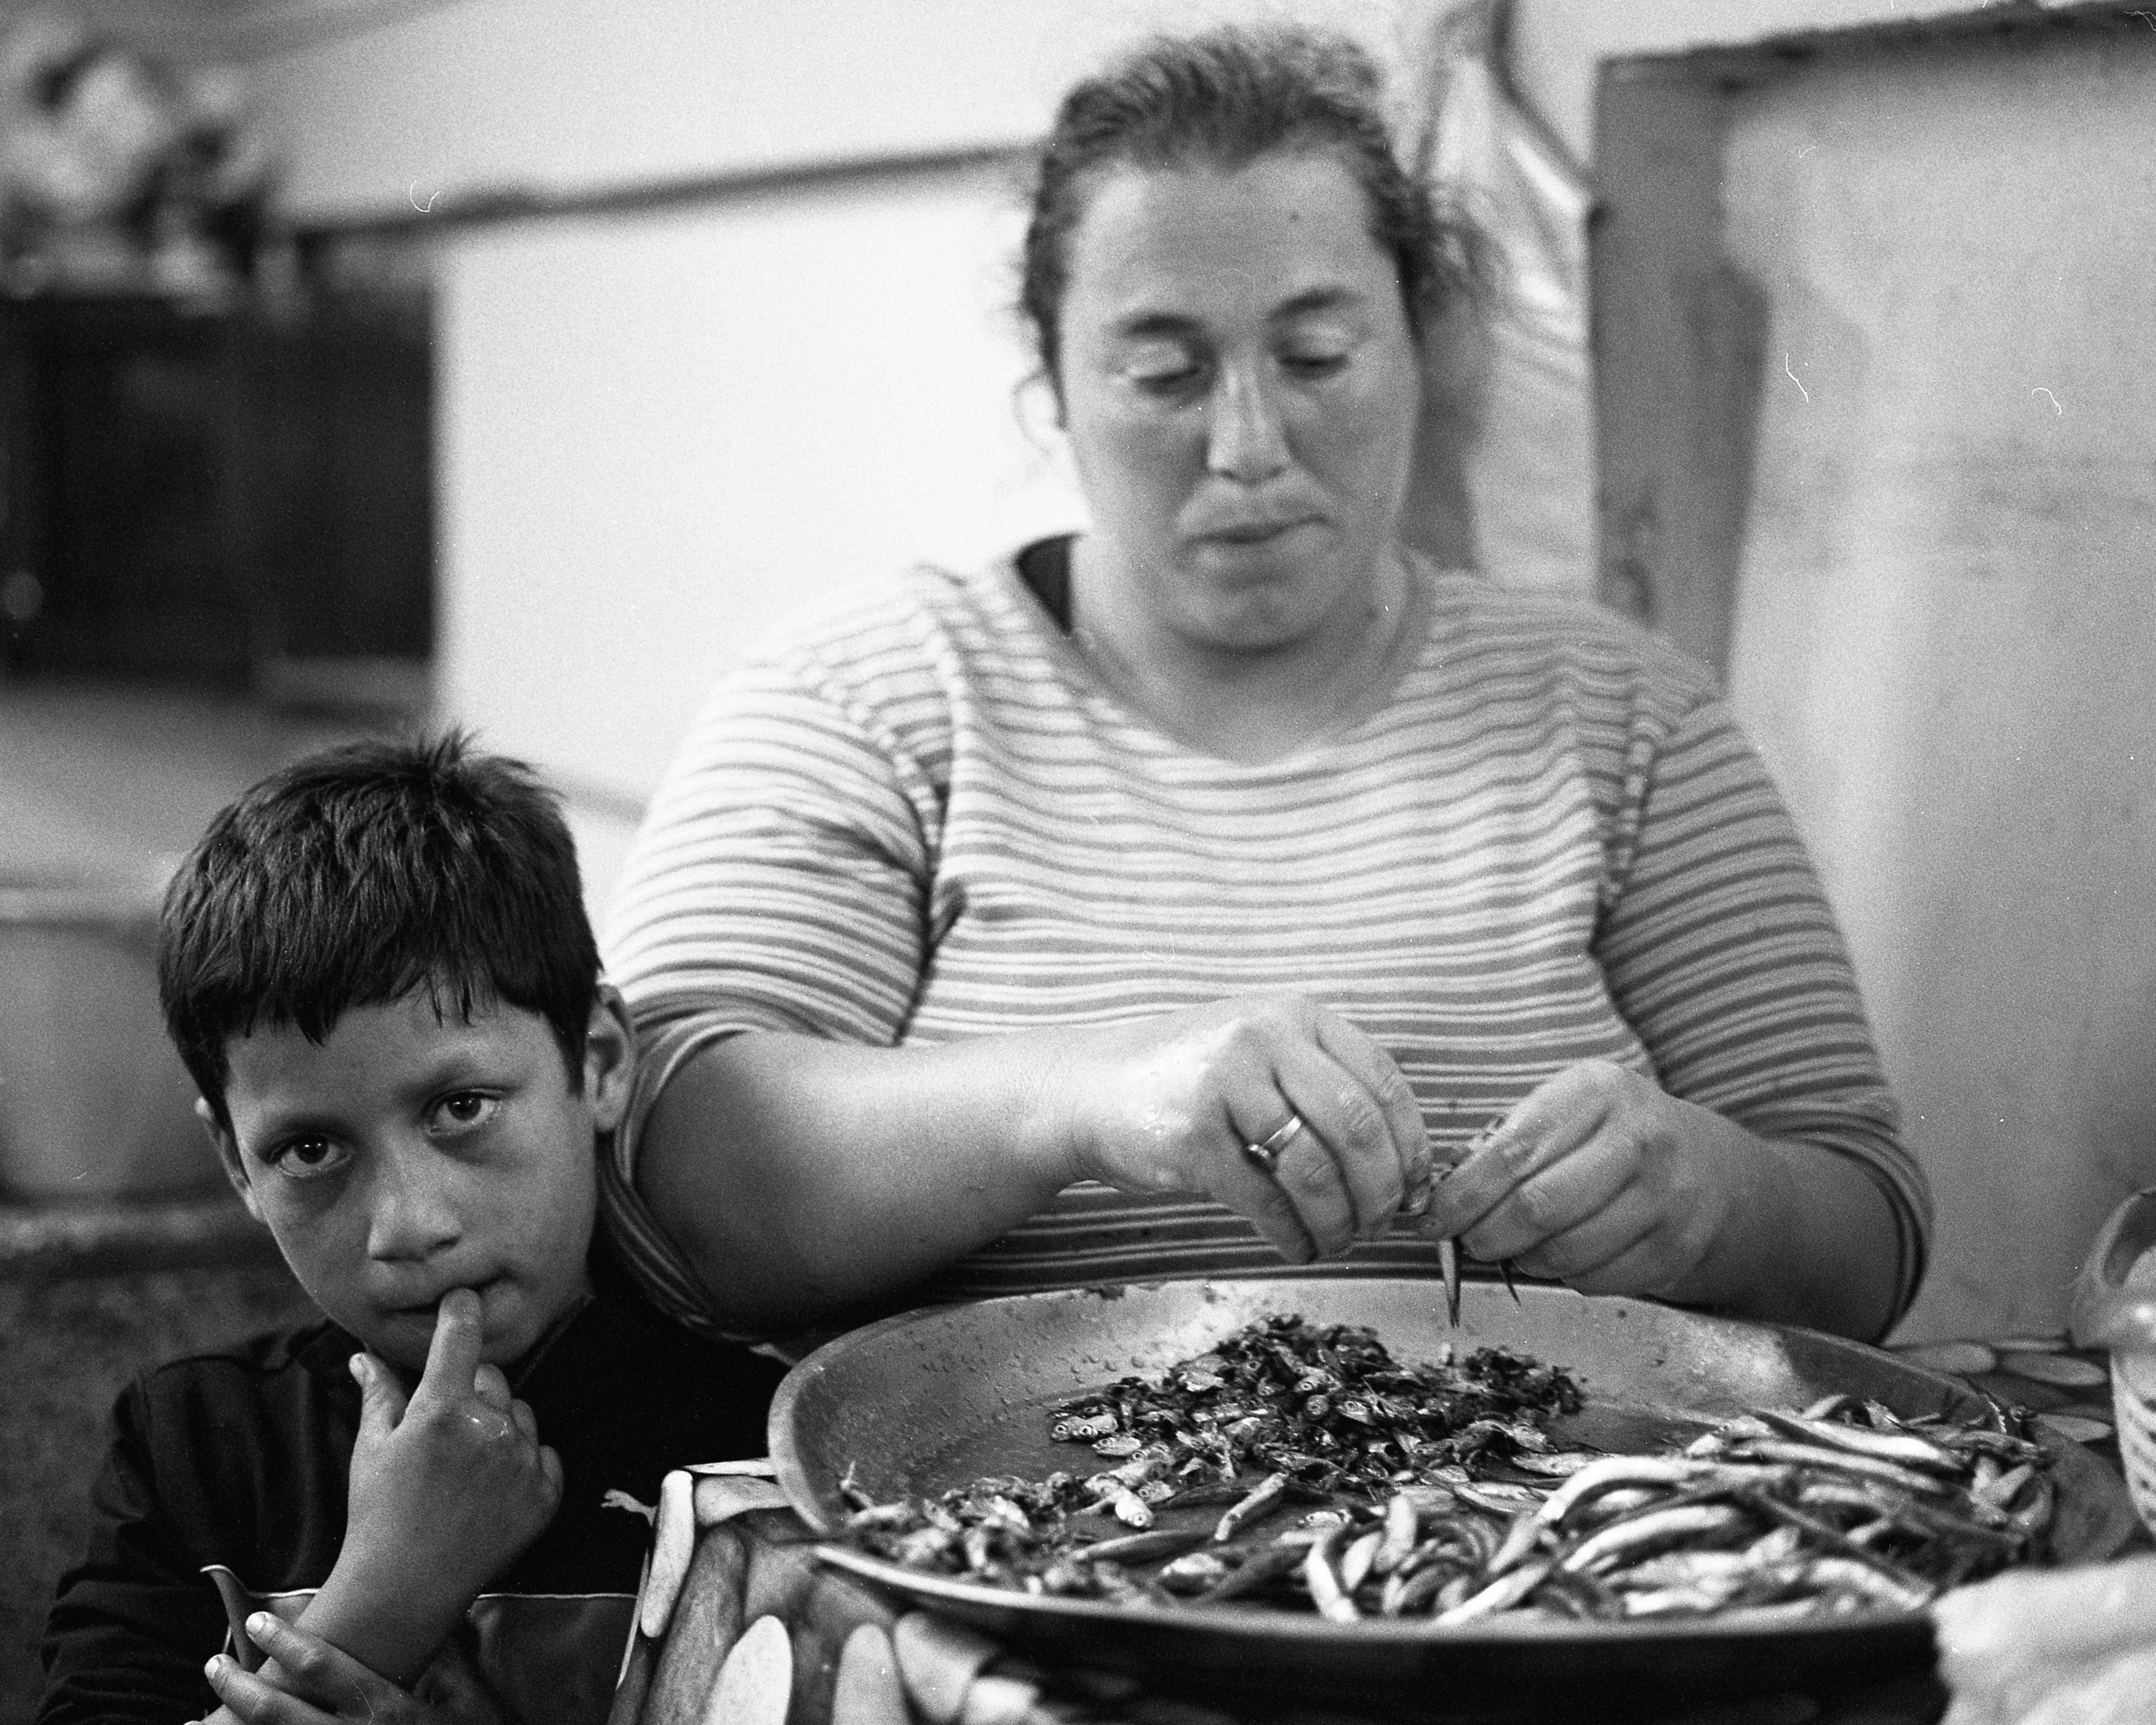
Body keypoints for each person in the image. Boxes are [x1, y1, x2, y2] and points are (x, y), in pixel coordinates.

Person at [601, 25, 1931, 1349]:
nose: (1246, 446)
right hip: (981, 1528)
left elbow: (1863, 1232)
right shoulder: (868, 699)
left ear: (1421, 346)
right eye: (1164, 374)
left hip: (1548, 1530)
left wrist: (1715, 1200)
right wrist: (1081, 1093)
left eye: (1315, 358)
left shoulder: (1620, 718)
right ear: (1053, 386)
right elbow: (673, 1181)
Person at [39, 735, 787, 1725]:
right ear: (236, 1166)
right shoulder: (196, 1450)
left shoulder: (754, 1451)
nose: (410, 1225)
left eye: (462, 1107)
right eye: (310, 1151)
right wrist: (385, 1600)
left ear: (598, 1063)